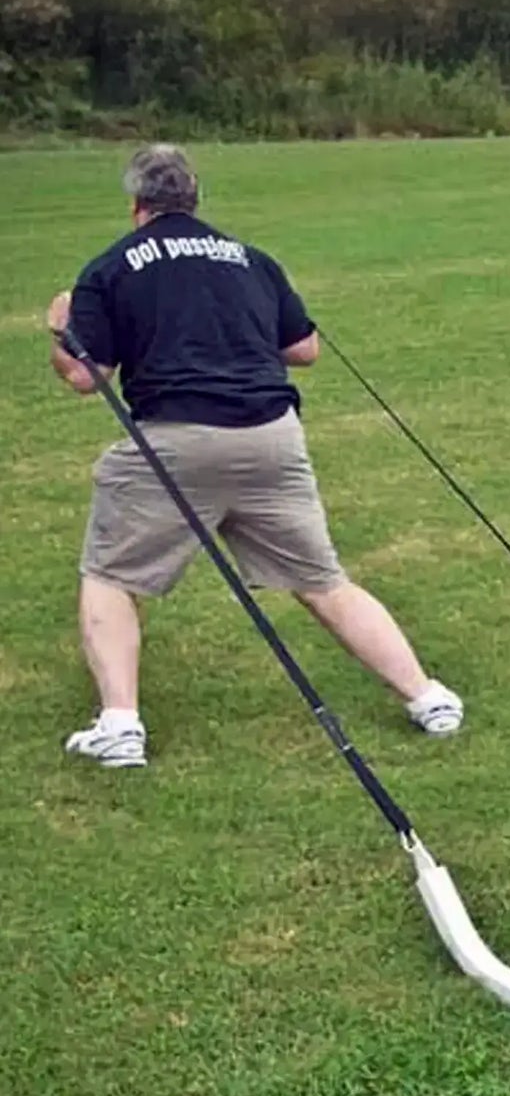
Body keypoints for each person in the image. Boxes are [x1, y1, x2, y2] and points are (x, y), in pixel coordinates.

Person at [48, 143, 461, 769]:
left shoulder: (109, 267)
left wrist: (62, 330)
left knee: (109, 576)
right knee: (325, 583)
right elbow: (305, 349)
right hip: (273, 439)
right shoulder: (250, 258)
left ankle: (121, 725)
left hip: (178, 440)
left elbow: (87, 377)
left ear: (137, 206)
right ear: (195, 197)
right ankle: (428, 698)